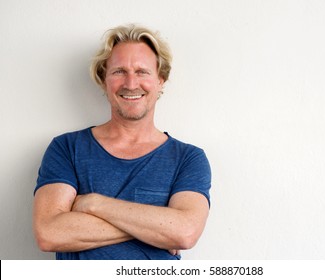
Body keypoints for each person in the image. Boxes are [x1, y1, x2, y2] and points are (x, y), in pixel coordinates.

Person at [32, 24, 211, 260]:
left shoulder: (188, 158)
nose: (130, 83)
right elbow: (49, 233)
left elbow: (185, 232)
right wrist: (158, 228)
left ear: (160, 80)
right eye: (119, 71)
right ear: (103, 80)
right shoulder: (66, 148)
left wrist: (92, 204)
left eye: (142, 71)